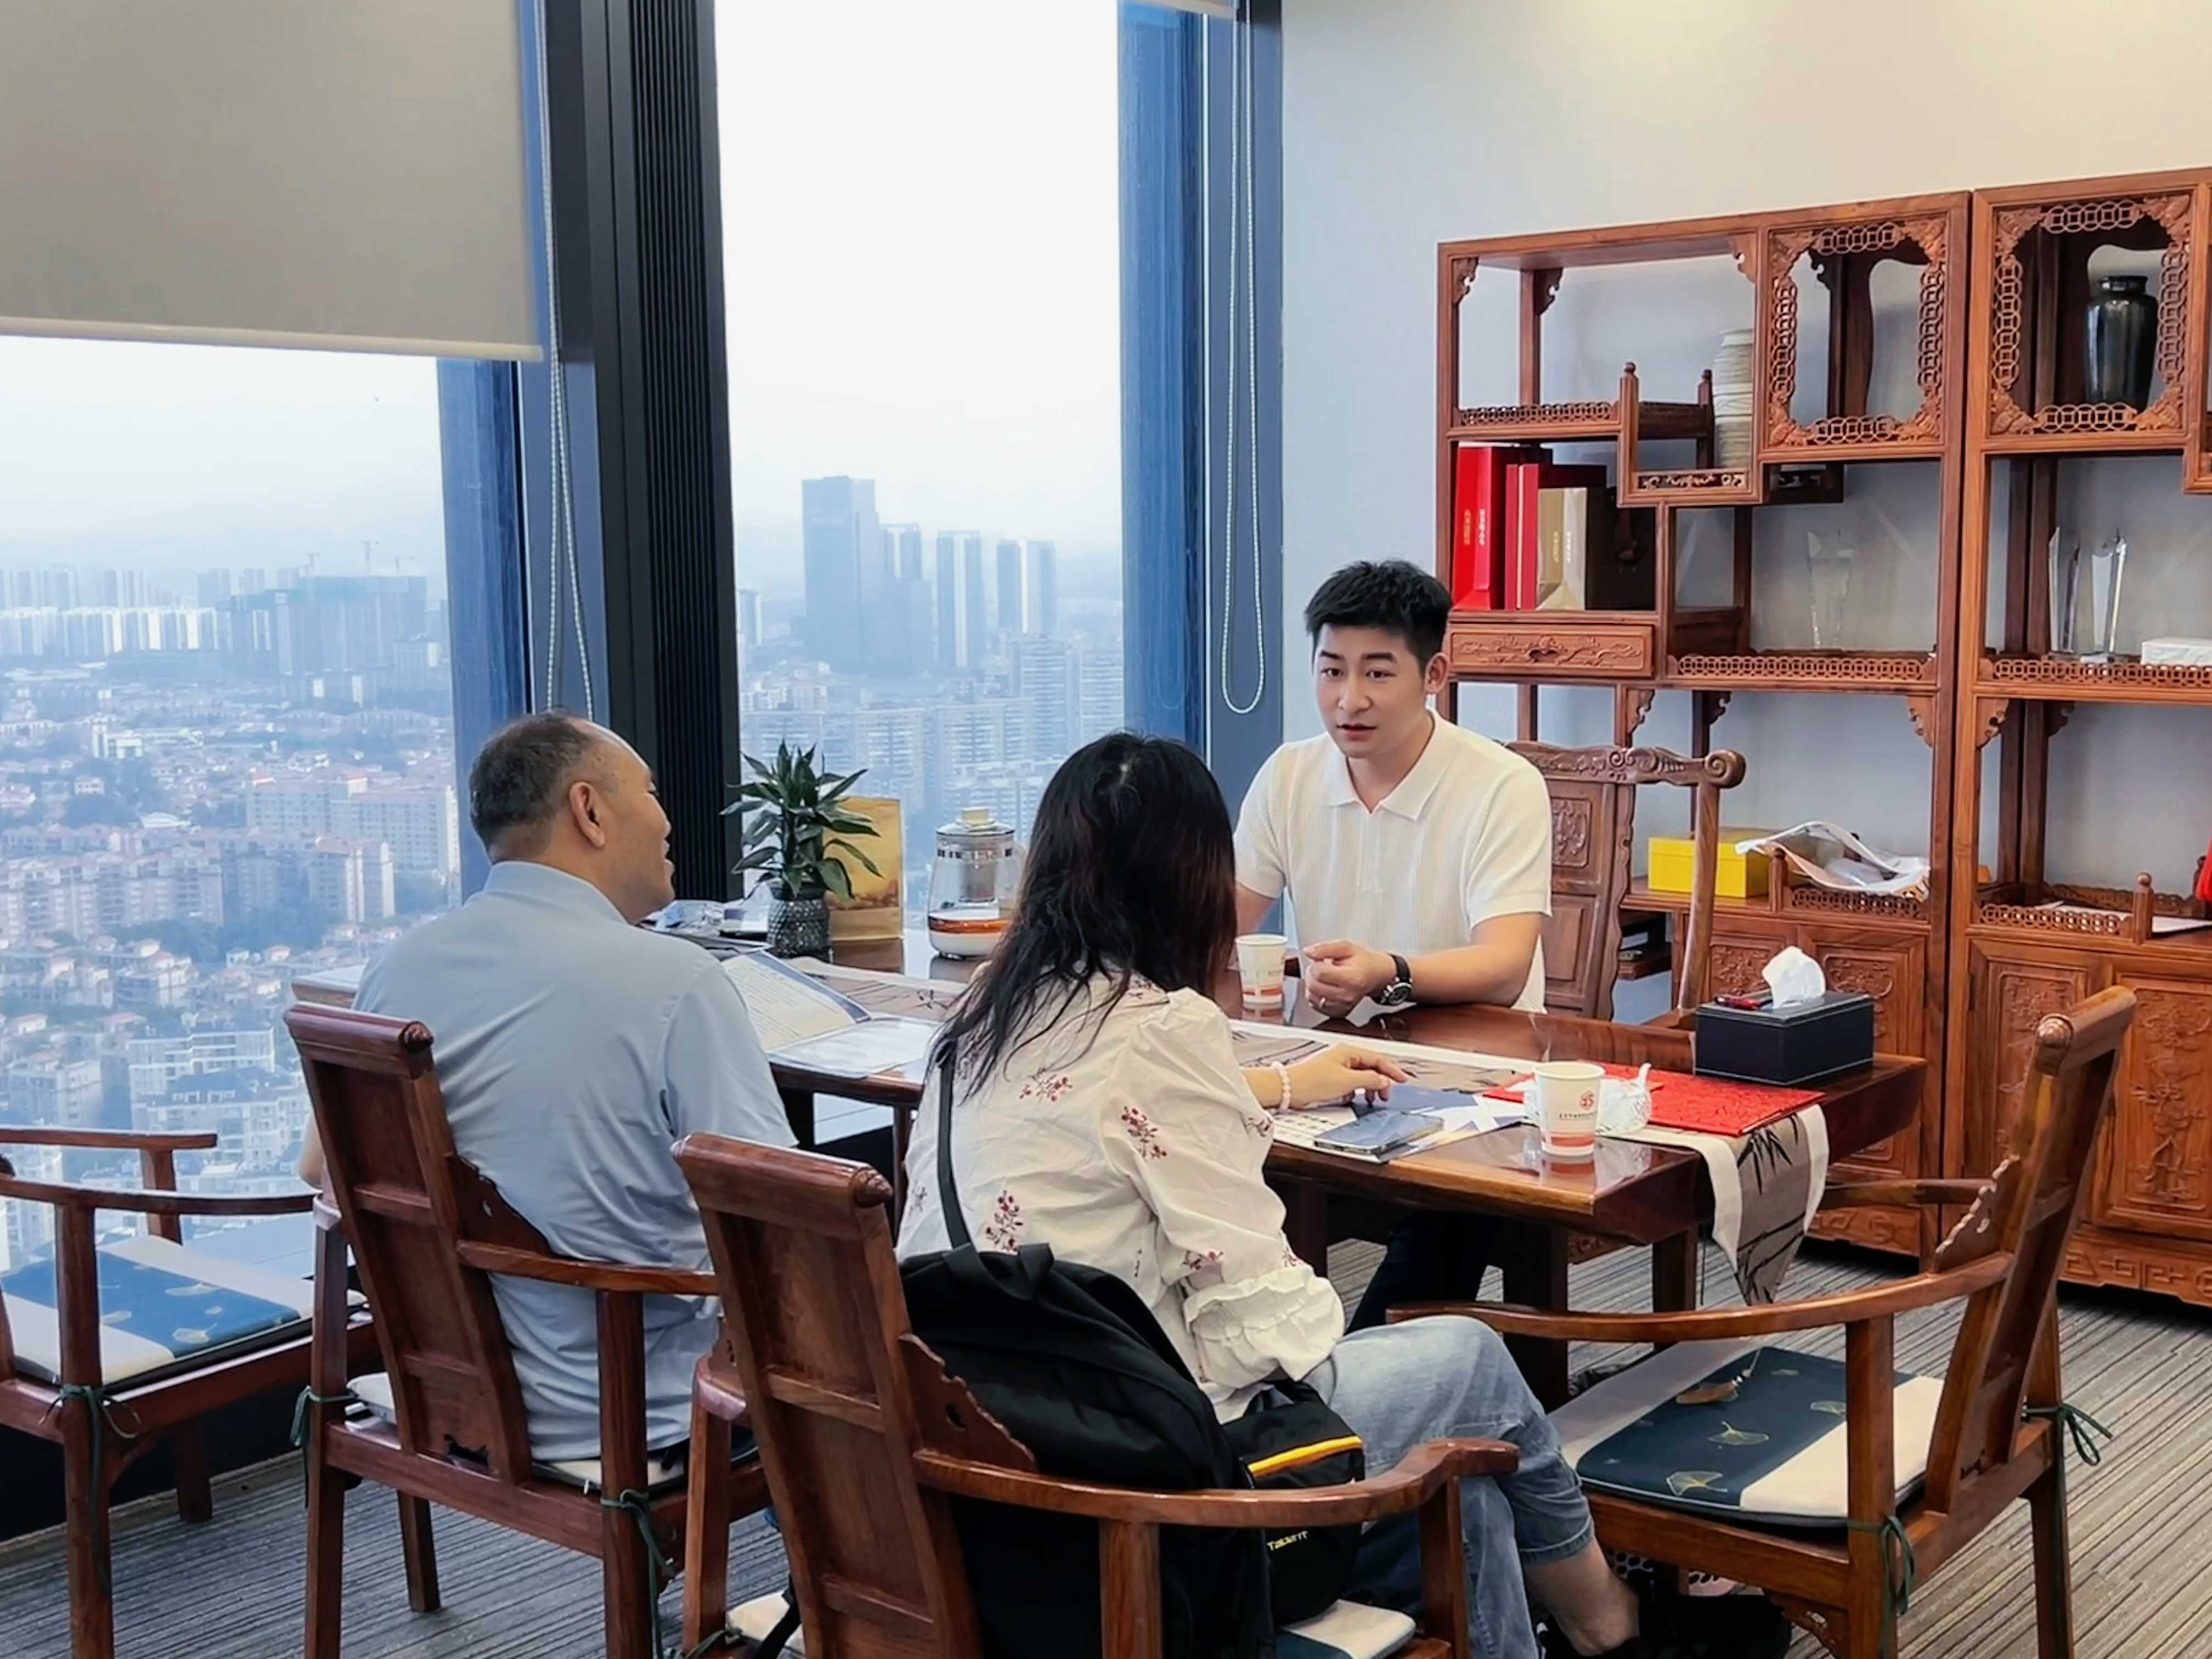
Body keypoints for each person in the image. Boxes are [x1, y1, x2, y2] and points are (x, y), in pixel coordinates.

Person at [895, 732, 1677, 1659]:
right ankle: (1609, 1623)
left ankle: (1555, 1637)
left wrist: (1265, 1093)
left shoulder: (975, 1023)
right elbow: (1268, 1327)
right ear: (1192, 881)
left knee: (1465, 1492)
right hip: (1151, 1465)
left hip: (995, 1441)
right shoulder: (1162, 1027)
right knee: (1468, 1360)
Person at [298, 712, 792, 1462]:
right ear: (589, 810)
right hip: (638, 1407)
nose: (667, 822)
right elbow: (780, 1219)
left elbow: (322, 1171)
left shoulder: (398, 967)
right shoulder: (674, 982)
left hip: (453, 1388)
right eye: (651, 792)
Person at [1235, 559, 1550, 1329]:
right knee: (1201, 1138)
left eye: (1378, 673)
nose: (1350, 699)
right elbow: (1219, 925)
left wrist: (1388, 972)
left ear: (1434, 674)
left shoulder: (1500, 785)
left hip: (1475, 1073)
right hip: (1332, 1060)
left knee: (1452, 1199)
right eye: (1331, 671)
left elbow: (1505, 968)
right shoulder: (1289, 775)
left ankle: (1362, 1366)